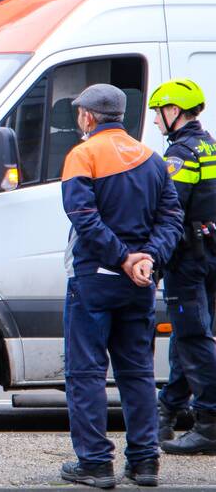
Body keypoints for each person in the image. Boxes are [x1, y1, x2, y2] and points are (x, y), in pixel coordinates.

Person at [59, 84, 183, 489]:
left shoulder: (83, 155)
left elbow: (83, 217)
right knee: (138, 373)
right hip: (139, 283)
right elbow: (172, 218)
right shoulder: (152, 159)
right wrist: (148, 257)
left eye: (80, 113)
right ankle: (145, 462)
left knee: (86, 374)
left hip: (94, 279)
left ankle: (95, 463)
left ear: (88, 116)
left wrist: (121, 257)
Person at [147, 79, 216, 455]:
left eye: (158, 113)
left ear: (174, 111)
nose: (156, 120)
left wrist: (154, 256)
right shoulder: (209, 145)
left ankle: (209, 423)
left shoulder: (181, 153)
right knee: (188, 335)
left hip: (187, 258)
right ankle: (168, 409)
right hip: (208, 254)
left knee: (193, 338)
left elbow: (170, 210)